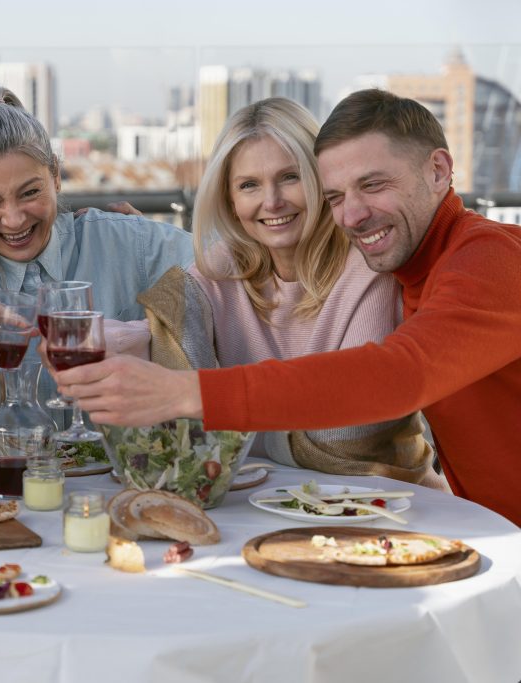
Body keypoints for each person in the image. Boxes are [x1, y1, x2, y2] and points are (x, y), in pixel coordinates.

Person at [53, 89, 521, 526]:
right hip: (485, 525)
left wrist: (189, 392)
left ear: (439, 170)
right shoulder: (415, 266)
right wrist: (141, 336)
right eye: (337, 196)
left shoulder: (489, 259)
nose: (353, 215)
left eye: (374, 184)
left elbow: (403, 374)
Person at [0, 84, 195, 449]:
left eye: (30, 192)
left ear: (56, 176)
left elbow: (231, 267)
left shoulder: (123, 242)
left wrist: (146, 331)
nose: (13, 220)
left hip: (112, 483)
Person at [169, 97, 434, 484]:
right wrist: (143, 336)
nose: (272, 201)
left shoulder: (369, 267)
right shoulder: (217, 271)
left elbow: (346, 436)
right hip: (257, 505)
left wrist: (237, 430)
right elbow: (186, 425)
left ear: (321, 180)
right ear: (230, 199)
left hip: (382, 502)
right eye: (249, 185)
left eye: (290, 177)